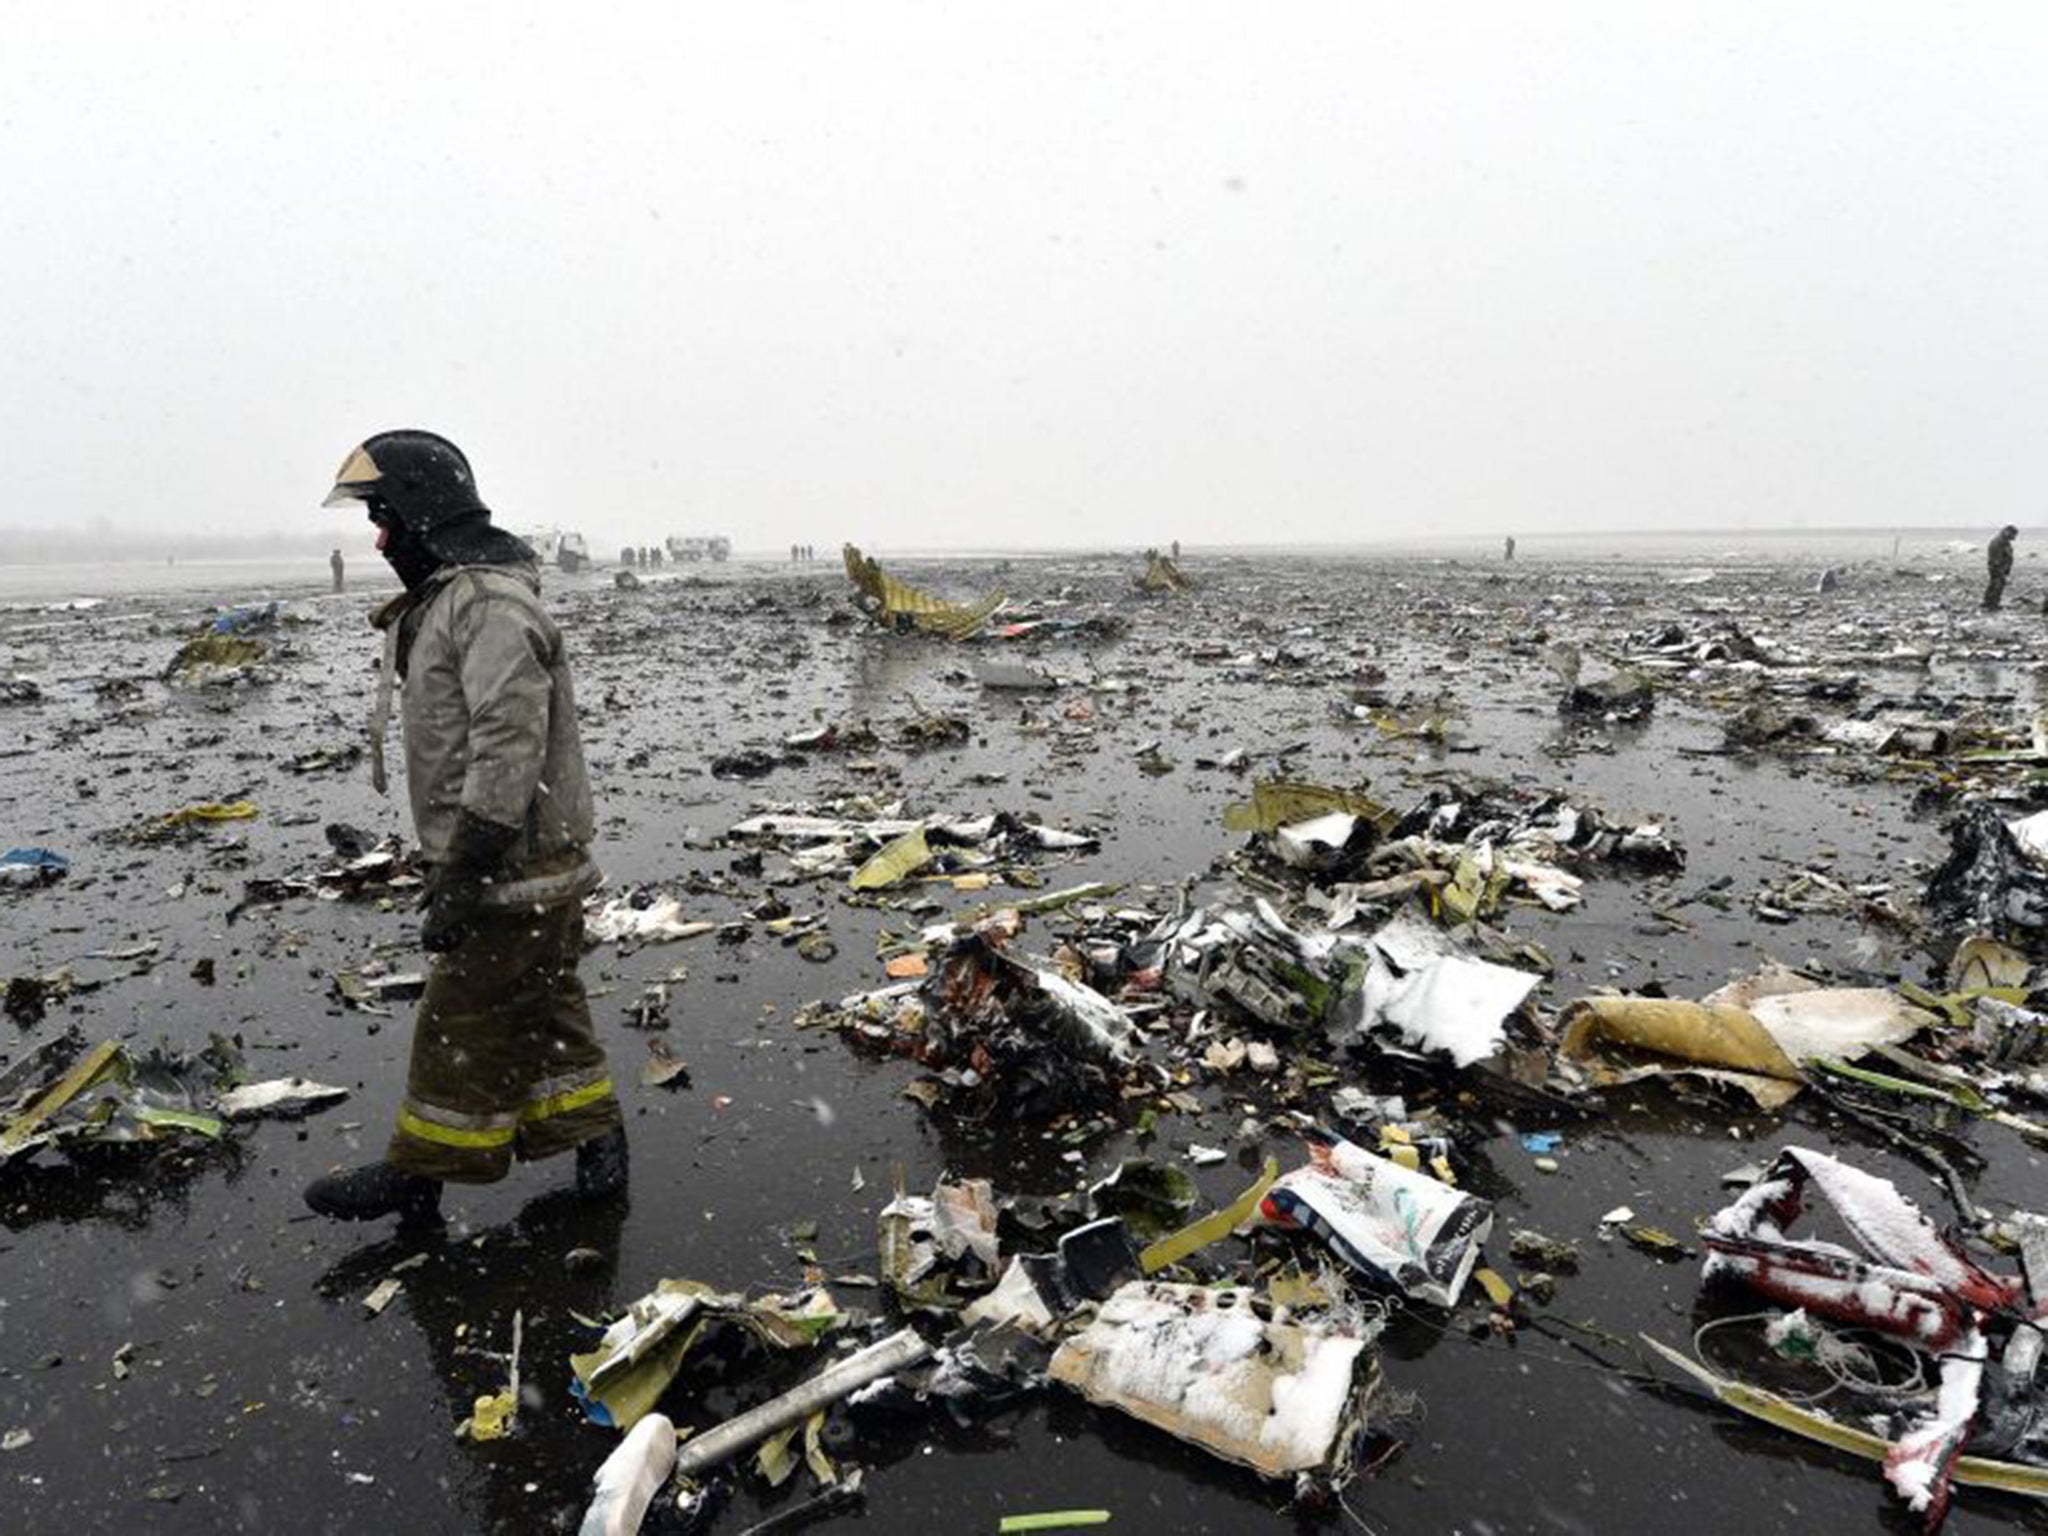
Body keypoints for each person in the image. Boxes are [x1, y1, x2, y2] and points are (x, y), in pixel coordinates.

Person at [305, 429, 625, 1223]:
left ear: (425, 511)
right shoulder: (456, 602)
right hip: (525, 863)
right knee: (546, 1012)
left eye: (385, 515)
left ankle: (418, 1173)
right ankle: (601, 1150)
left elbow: (508, 747)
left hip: (513, 867)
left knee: (461, 1020)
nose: (379, 538)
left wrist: (466, 870)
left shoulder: (486, 607)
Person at [1986, 525, 2018, 611]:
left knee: (1996, 585)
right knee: (1997, 585)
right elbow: (1996, 559)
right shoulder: (1998, 542)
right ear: (2007, 532)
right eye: (2013, 535)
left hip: (2001, 568)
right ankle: (1992, 604)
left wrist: (2006, 570)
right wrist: (2001, 572)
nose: (2014, 537)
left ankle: (1990, 603)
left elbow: (2008, 556)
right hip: (1997, 568)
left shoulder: (2004, 542)